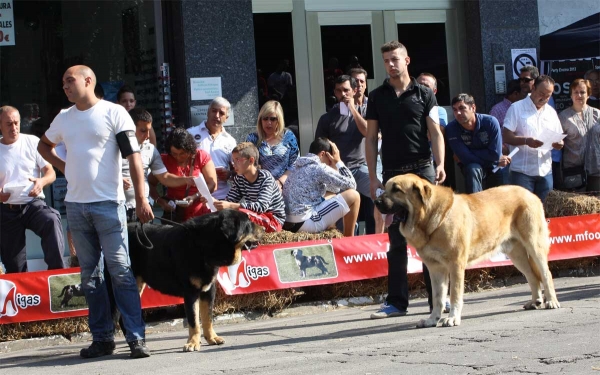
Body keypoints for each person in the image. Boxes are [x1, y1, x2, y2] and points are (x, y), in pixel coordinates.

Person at [38, 65, 153, 358]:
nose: (64, 86)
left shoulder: (114, 113)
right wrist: (65, 167)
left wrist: (142, 198)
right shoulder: (64, 118)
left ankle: (135, 337)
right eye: (63, 81)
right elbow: (44, 145)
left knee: (121, 272)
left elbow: (134, 158)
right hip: (76, 207)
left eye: (69, 80)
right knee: (90, 277)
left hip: (109, 204)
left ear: (88, 81)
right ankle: (102, 338)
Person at [365, 41, 445, 318]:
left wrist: (441, 163)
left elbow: (435, 133)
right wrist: (373, 177)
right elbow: (371, 137)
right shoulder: (376, 97)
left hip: (423, 171)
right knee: (397, 238)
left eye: (395, 59)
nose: (391, 64)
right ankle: (397, 302)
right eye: (386, 60)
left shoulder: (424, 94)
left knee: (430, 236)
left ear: (407, 60)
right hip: (393, 176)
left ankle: (438, 301)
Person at [0, 106, 65, 274]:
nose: (13, 128)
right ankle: (21, 295)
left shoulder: (32, 141)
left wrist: (41, 182)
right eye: (8, 124)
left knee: (51, 219)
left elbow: (50, 173)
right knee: (14, 267)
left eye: (16, 123)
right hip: (6, 208)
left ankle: (56, 275)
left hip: (32, 204)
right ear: (0, 125)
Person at [315, 75, 374, 234]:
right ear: (334, 92)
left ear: (355, 91)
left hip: (360, 167)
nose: (343, 94)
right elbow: (319, 148)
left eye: (346, 90)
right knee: (343, 213)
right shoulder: (328, 118)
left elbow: (369, 133)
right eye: (339, 90)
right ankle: (349, 244)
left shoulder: (365, 112)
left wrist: (353, 109)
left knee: (380, 194)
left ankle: (380, 237)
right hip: (338, 171)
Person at [122, 108, 194, 221]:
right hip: (117, 205)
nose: (147, 135)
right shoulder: (113, 146)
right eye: (142, 130)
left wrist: (186, 180)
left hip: (142, 207)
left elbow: (164, 177)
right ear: (130, 127)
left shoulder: (150, 149)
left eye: (149, 130)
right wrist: (116, 179)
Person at [502, 75, 564, 203]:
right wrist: (526, 141)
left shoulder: (551, 112)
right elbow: (506, 136)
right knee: (522, 212)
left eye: (548, 95)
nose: (545, 98)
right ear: (533, 88)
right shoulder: (516, 108)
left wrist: (559, 143)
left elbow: (559, 135)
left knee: (544, 211)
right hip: (522, 172)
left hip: (545, 170)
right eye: (542, 93)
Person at [282, 137, 359, 237]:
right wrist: (338, 162)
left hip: (290, 224)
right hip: (305, 223)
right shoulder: (319, 168)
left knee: (331, 195)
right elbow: (352, 185)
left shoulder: (299, 166)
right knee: (354, 196)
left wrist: (333, 168)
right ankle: (349, 240)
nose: (330, 163)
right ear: (323, 154)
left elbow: (334, 189)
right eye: (330, 160)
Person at [213, 142, 285, 233]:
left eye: (237, 160)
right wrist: (214, 202)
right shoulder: (240, 179)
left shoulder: (265, 177)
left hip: (273, 221)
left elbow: (261, 206)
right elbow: (229, 200)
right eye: (233, 161)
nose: (233, 164)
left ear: (251, 160)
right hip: (254, 216)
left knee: (241, 214)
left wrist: (231, 206)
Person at [150, 127, 217, 222]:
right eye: (174, 153)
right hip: (175, 214)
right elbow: (150, 184)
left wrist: (194, 197)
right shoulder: (164, 160)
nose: (178, 157)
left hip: (200, 214)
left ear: (190, 149)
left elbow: (212, 184)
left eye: (182, 153)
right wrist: (160, 201)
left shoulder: (201, 156)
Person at [446, 94, 507, 193]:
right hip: (474, 166)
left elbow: (495, 154)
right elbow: (465, 158)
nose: (458, 113)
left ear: (473, 108)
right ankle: (475, 206)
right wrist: (494, 160)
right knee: (473, 168)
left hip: (495, 167)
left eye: (462, 108)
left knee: (498, 196)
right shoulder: (451, 128)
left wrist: (470, 152)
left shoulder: (490, 122)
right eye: (455, 109)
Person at [350, 67, 384, 234]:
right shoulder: (339, 110)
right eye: (355, 81)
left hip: (372, 161)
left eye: (362, 81)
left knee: (380, 196)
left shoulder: (374, 105)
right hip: (348, 165)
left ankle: (376, 240)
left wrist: (353, 111)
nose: (359, 84)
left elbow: (373, 134)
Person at [187, 97, 237, 200]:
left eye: (221, 113)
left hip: (222, 196)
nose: (217, 115)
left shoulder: (230, 141)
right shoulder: (190, 134)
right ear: (208, 112)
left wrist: (229, 174)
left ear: (226, 118)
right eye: (214, 111)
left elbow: (237, 169)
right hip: (195, 195)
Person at [558, 78, 600, 191]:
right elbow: (557, 141)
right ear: (571, 95)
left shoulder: (597, 114)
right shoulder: (563, 117)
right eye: (575, 92)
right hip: (573, 170)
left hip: (596, 169)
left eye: (582, 92)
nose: (579, 95)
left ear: (588, 95)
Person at [246, 100, 299, 189]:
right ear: (260, 120)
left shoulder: (289, 136)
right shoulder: (253, 138)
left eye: (273, 119)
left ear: (279, 120)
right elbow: (248, 165)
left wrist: (279, 183)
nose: (268, 122)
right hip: (260, 189)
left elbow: (295, 165)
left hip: (285, 188)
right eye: (265, 118)